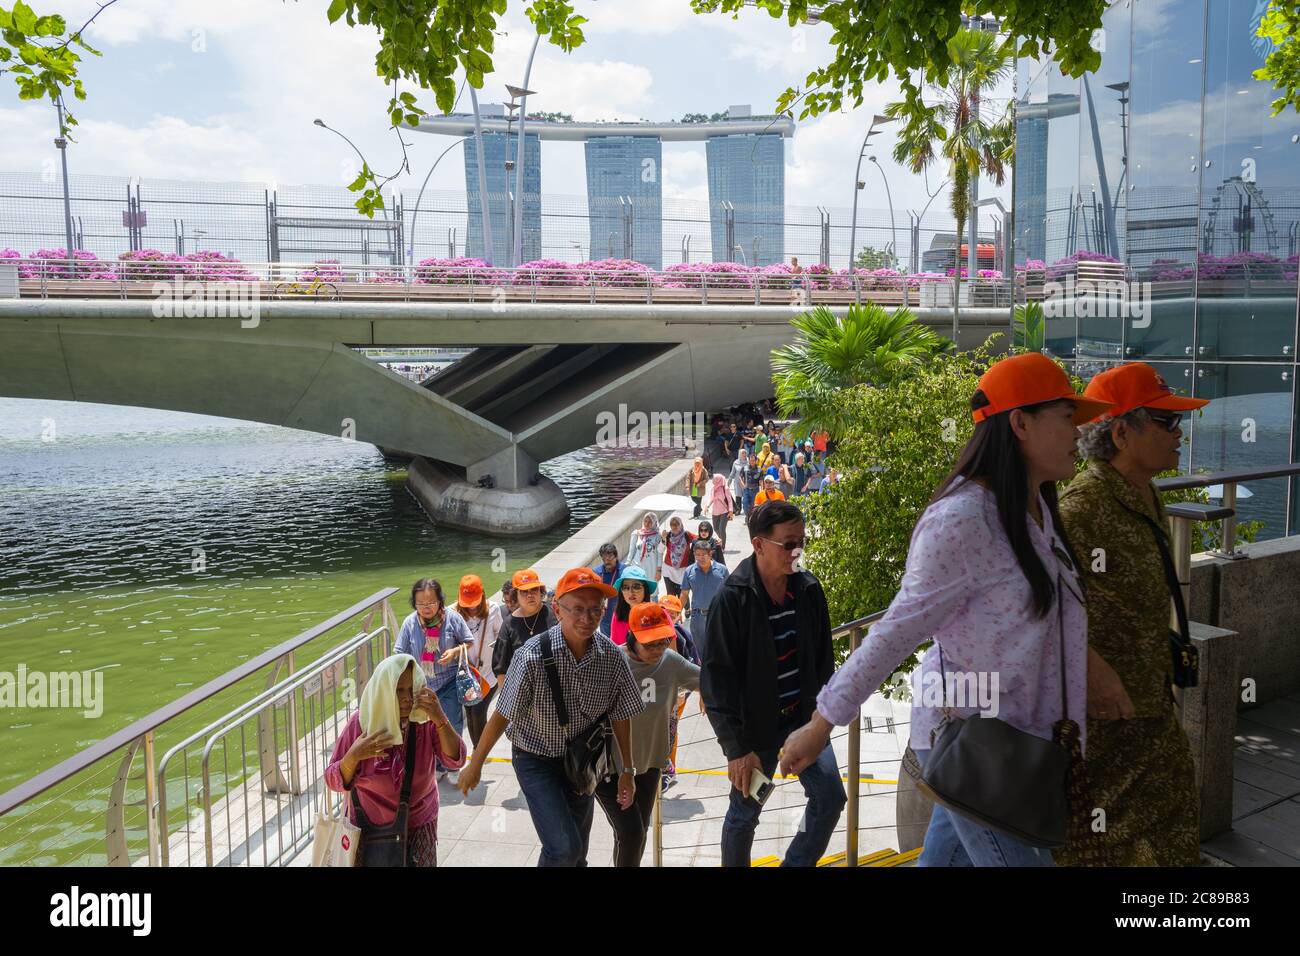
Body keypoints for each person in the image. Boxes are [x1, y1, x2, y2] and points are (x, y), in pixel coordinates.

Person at [780, 352, 1109, 867]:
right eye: (1068, 417)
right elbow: (894, 631)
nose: (1079, 433)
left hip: (1022, 743)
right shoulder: (963, 520)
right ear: (1020, 423)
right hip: (983, 747)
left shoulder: (1037, 506)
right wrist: (821, 724)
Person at [1054, 362, 1207, 866]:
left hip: (1150, 705)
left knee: (1169, 826)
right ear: (1121, 432)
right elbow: (1040, 608)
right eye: (1165, 422)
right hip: (1105, 723)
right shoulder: (1084, 505)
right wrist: (1093, 670)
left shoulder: (1145, 492)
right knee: (1099, 845)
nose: (1178, 431)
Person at [457, 568, 644, 867]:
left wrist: (627, 770)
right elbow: (503, 713)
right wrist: (475, 764)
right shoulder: (530, 656)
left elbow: (622, 713)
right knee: (563, 850)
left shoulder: (611, 656)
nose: (587, 618)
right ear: (557, 609)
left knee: (577, 853)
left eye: (595, 609)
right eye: (578, 610)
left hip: (582, 759)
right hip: (536, 758)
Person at [700, 500, 844, 867]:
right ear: (759, 544)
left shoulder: (809, 590)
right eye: (788, 543)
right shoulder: (732, 599)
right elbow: (716, 679)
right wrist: (735, 748)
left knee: (830, 797)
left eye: (802, 542)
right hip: (755, 732)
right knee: (744, 816)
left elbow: (823, 661)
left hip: (805, 722)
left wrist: (819, 722)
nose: (796, 551)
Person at [325, 653, 465, 866]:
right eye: (399, 690)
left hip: (418, 823)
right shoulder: (362, 723)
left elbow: (456, 760)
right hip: (367, 827)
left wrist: (440, 719)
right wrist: (353, 756)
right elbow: (332, 780)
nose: (407, 698)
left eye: (412, 690)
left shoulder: (423, 721)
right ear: (383, 690)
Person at [596, 602, 701, 865]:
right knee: (631, 833)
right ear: (631, 636)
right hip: (611, 768)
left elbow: (709, 680)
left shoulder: (671, 662)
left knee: (637, 833)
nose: (657, 650)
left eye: (662, 642)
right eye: (650, 643)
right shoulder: (611, 663)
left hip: (651, 764)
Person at [393, 578, 475, 781]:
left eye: (431, 603)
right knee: (424, 726)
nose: (426, 608)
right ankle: (437, 765)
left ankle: (454, 765)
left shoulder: (452, 618)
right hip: (421, 686)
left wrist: (455, 652)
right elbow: (399, 652)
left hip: (448, 682)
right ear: (414, 604)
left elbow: (469, 642)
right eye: (421, 604)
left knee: (450, 723)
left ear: (440, 601)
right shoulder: (410, 623)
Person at [455, 574, 502, 750]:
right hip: (466, 675)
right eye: (467, 603)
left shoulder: (494, 610)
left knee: (478, 712)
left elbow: (501, 636)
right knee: (469, 711)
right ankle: (478, 750)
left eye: (474, 601)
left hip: (488, 674)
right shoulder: (453, 613)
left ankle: (479, 750)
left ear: (482, 595)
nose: (472, 607)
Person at [658, 594, 701, 790]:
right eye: (664, 610)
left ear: (678, 617)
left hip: (677, 694)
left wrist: (686, 691)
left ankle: (668, 769)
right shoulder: (650, 633)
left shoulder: (682, 636)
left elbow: (693, 665)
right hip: (656, 692)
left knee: (670, 730)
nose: (667, 615)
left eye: (672, 613)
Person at [491, 568, 556, 685]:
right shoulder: (508, 625)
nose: (530, 595)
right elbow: (501, 670)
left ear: (541, 591)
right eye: (524, 591)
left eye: (534, 589)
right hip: (524, 691)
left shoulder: (555, 614)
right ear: (516, 595)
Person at [680, 537, 729, 659]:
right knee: (699, 652)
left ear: (710, 553)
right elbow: (684, 593)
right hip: (698, 618)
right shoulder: (689, 571)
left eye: (703, 554)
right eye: (697, 555)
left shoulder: (722, 570)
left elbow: (729, 592)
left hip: (718, 615)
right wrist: (677, 611)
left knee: (719, 649)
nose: (700, 558)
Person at [609, 565, 657, 645]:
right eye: (625, 587)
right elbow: (614, 647)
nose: (631, 592)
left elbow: (671, 652)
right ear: (622, 592)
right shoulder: (617, 616)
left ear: (645, 589)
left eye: (636, 587)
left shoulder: (658, 614)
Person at [591, 543, 625, 636]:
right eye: (604, 558)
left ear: (616, 556)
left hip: (621, 616)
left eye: (609, 558)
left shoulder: (624, 571)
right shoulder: (597, 572)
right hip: (605, 617)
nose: (607, 561)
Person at [659, 516, 695, 598]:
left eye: (677, 524)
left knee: (682, 594)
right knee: (670, 595)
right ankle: (672, 611)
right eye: (672, 524)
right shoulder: (667, 536)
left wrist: (714, 541)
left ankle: (686, 610)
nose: (674, 526)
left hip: (682, 571)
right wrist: (663, 539)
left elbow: (700, 538)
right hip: (668, 570)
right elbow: (660, 550)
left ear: (681, 524)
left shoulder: (687, 535)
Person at [626, 511, 664, 583]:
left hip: (651, 567)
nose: (647, 524)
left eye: (650, 522)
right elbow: (631, 551)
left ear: (654, 522)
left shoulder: (657, 536)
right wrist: (627, 564)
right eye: (645, 521)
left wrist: (659, 570)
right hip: (637, 566)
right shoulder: (636, 534)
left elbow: (660, 555)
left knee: (650, 589)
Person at [704, 473, 736, 551]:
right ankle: (721, 539)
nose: (713, 481)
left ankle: (722, 546)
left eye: (714, 479)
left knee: (722, 529)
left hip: (724, 512)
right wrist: (707, 506)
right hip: (715, 511)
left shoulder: (726, 489)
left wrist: (731, 511)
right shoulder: (713, 488)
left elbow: (729, 500)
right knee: (715, 528)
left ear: (718, 480)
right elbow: (711, 498)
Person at [729, 449, 750, 518]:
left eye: (745, 453)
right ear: (739, 454)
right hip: (738, 482)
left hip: (746, 482)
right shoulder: (736, 462)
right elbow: (732, 473)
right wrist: (728, 482)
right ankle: (738, 509)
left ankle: (747, 509)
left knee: (746, 495)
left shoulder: (748, 462)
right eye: (742, 453)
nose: (744, 454)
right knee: (738, 495)